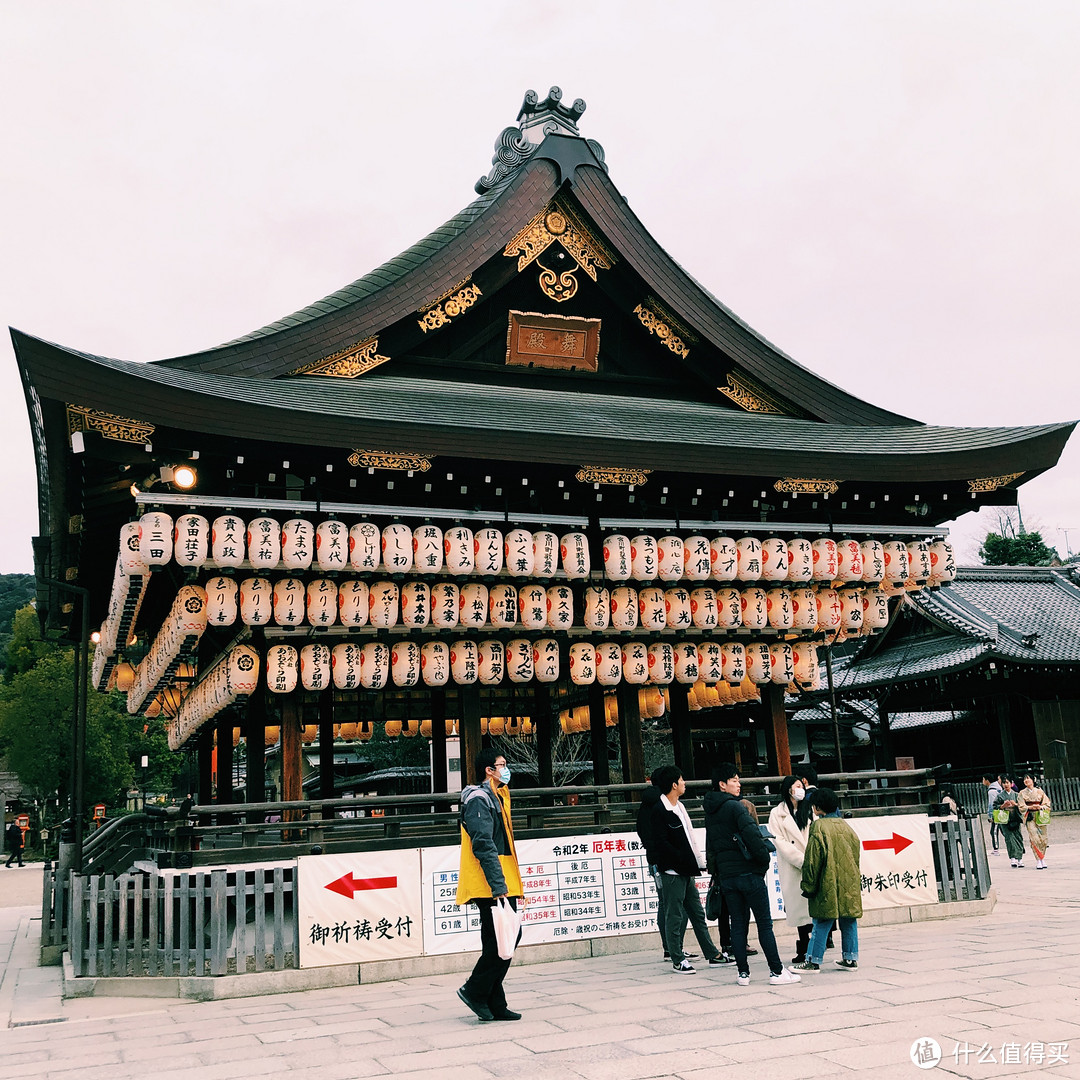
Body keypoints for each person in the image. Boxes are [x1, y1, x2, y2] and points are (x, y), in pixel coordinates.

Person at [704, 763, 800, 987]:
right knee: (764, 924)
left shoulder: (711, 811)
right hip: (748, 874)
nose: (739, 784)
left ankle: (743, 973)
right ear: (722, 784)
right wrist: (763, 863)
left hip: (727, 877)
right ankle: (776, 971)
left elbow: (712, 846)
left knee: (738, 924)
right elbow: (754, 838)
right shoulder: (736, 808)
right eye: (734, 780)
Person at [455, 749, 523, 1021]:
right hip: (491, 882)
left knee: (500, 941)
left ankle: (494, 1002)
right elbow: (483, 843)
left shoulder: (497, 796)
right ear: (488, 770)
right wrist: (498, 884)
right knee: (504, 940)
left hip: (500, 879)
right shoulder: (479, 799)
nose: (505, 769)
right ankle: (474, 990)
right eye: (501, 765)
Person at [649, 765, 724, 973]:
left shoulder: (679, 807)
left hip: (687, 869)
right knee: (674, 915)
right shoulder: (659, 811)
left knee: (697, 913)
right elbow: (662, 845)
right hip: (672, 872)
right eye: (682, 780)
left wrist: (698, 862)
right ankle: (677, 958)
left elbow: (690, 839)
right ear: (674, 785)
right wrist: (680, 861)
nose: (684, 783)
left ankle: (712, 954)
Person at [794, 787, 862, 972]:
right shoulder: (846, 827)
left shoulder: (818, 827)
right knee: (849, 920)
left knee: (822, 921)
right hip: (849, 882)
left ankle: (813, 961)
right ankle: (850, 958)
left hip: (827, 882)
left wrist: (808, 885)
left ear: (816, 808)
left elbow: (812, 861)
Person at [637, 766, 692, 963]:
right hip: (664, 863)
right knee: (671, 906)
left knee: (668, 905)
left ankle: (672, 948)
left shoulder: (651, 804)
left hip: (658, 860)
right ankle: (673, 948)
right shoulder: (660, 805)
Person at [768, 776, 813, 963]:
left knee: (813, 909)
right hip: (793, 867)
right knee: (799, 910)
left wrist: (812, 860)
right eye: (797, 786)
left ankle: (814, 946)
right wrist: (802, 860)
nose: (801, 789)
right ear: (789, 790)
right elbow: (779, 841)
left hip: (811, 865)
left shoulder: (809, 810)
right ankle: (803, 947)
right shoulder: (776, 813)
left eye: (802, 786)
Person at [1016, 773, 1052, 869]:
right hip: (1030, 816)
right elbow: (1021, 806)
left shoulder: (1040, 791)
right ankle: (1038, 859)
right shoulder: (1021, 793)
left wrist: (1041, 807)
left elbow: (1047, 803)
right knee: (1034, 837)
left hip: (1040, 815)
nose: (1026, 780)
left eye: (1028, 778)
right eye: (1024, 779)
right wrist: (1029, 807)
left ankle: (1042, 857)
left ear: (1033, 780)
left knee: (1043, 838)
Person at [993, 777, 1026, 867]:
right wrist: (1003, 806)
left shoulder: (1016, 795)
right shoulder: (999, 796)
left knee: (1018, 838)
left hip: (1015, 818)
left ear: (1011, 783)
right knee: (1009, 838)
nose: (1006, 785)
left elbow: (1023, 806)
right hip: (1005, 820)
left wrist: (1015, 804)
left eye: (1007, 782)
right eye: (1004, 783)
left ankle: (1020, 858)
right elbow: (995, 806)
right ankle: (1013, 858)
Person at [982, 773, 1003, 855]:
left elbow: (991, 804)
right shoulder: (998, 788)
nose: (982, 781)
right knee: (1004, 830)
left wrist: (990, 816)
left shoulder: (991, 791)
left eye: (983, 779)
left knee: (993, 831)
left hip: (996, 813)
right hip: (1002, 811)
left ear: (987, 780)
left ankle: (996, 849)